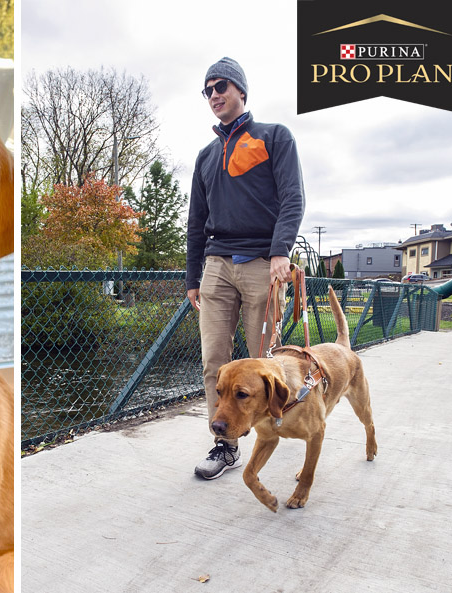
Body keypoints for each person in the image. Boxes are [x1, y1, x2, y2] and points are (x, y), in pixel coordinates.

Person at [185, 57, 305, 480]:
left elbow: (293, 197)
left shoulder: (274, 137)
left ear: (241, 92)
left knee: (263, 365)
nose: (215, 95)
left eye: (222, 86)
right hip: (216, 264)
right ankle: (225, 445)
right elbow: (196, 221)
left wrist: (280, 252)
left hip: (262, 262)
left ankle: (270, 433)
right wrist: (191, 278)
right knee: (214, 362)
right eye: (208, 90)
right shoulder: (205, 156)